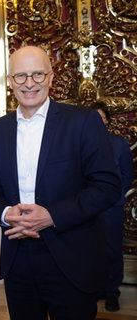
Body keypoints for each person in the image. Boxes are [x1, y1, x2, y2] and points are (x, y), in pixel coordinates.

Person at [0, 46, 121, 319]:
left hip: (71, 258)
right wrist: (6, 213)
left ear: (51, 77)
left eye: (37, 74)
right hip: (17, 258)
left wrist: (52, 216)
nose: (29, 83)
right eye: (20, 76)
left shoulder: (83, 121)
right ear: (9, 81)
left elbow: (107, 186)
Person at [89, 101, 134, 312]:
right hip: (86, 208)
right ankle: (95, 288)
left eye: (102, 117)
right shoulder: (82, 144)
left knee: (112, 250)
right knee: (90, 249)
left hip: (111, 208)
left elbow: (127, 175)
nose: (98, 122)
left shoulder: (120, 145)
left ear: (107, 120)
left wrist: (115, 196)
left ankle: (111, 292)